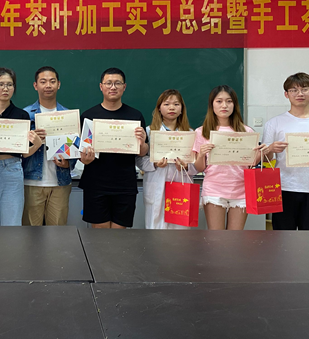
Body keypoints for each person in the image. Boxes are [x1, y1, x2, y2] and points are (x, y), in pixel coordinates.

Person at [79, 67, 148, 229]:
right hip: (96, 184)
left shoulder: (135, 116)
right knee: (100, 236)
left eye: (117, 83)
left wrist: (143, 143)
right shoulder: (88, 116)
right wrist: (85, 159)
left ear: (124, 87)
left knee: (119, 236)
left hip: (125, 184)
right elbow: (81, 154)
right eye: (108, 83)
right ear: (101, 86)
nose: (113, 87)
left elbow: (142, 152)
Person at [0, 67, 42, 226]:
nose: (5, 88)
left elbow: (24, 153)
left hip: (12, 169)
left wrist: (37, 144)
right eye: (1, 84)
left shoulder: (21, 115)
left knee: (12, 224)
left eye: (9, 85)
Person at [192, 85, 264, 230]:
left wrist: (262, 152)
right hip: (214, 189)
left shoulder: (246, 131)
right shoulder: (202, 132)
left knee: (235, 238)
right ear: (212, 104)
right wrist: (201, 154)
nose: (224, 105)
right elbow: (199, 168)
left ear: (234, 104)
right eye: (219, 101)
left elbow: (250, 164)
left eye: (229, 101)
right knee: (216, 237)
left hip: (241, 189)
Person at [262, 72, 309, 230]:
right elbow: (265, 159)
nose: (300, 94)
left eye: (305, 89)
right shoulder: (274, 123)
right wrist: (270, 149)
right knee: (283, 237)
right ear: (286, 94)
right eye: (294, 90)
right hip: (284, 188)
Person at [136, 89, 197, 229]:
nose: (171, 108)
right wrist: (154, 164)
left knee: (180, 233)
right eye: (167, 104)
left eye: (176, 104)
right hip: (157, 184)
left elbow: (197, 164)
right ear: (159, 108)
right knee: (156, 231)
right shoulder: (149, 132)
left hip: (181, 184)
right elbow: (139, 160)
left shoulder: (190, 133)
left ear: (181, 109)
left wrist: (186, 166)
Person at [23, 66, 74, 226]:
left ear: (58, 84)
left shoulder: (68, 115)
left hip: (60, 182)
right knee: (30, 234)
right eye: (43, 81)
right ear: (35, 85)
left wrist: (68, 163)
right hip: (31, 182)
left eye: (52, 81)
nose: (48, 85)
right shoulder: (25, 115)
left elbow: (75, 147)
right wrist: (32, 140)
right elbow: (17, 150)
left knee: (57, 234)